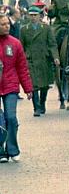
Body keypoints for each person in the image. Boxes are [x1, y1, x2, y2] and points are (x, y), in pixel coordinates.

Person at [0, 14, 33, 163]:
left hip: (10, 86)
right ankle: (1, 151)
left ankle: (12, 149)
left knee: (11, 118)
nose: (7, 26)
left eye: (7, 23)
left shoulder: (15, 44)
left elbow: (22, 68)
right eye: (3, 24)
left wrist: (28, 88)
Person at [20, 5, 59, 116]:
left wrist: (55, 57)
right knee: (33, 85)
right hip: (30, 60)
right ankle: (36, 107)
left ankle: (42, 103)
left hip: (44, 59)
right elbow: (21, 46)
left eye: (35, 15)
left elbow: (52, 44)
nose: (33, 17)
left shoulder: (46, 28)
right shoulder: (24, 29)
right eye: (31, 15)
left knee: (44, 85)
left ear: (40, 16)